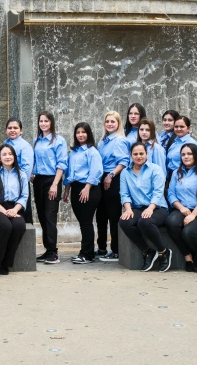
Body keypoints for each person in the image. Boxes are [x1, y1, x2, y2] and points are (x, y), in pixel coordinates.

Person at [118, 143, 172, 272]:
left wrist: (150, 208)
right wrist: (128, 209)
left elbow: (158, 192)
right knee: (124, 222)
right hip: (137, 208)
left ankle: (163, 252)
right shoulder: (125, 172)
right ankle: (147, 251)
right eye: (135, 154)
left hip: (158, 208)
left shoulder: (155, 169)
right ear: (131, 155)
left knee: (145, 221)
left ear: (146, 154)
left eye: (141, 153)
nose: (138, 156)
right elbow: (124, 194)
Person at [165, 145, 197, 273]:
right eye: (183, 154)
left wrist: (193, 215)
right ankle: (188, 257)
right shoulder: (177, 173)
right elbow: (171, 193)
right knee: (171, 223)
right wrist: (181, 208)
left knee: (188, 232)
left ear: (196, 155)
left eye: (189, 154)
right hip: (182, 209)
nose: (186, 157)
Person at [0, 144, 28, 275]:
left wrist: (14, 210)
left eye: (10, 154)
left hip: (14, 207)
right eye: (4, 154)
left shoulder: (22, 175)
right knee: (5, 226)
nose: (7, 157)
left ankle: (5, 263)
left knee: (19, 226)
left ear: (14, 157)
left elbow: (24, 196)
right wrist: (4, 212)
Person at [62, 122, 103, 264]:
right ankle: (85, 252)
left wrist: (87, 188)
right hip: (76, 188)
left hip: (89, 189)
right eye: (78, 132)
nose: (80, 135)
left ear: (89, 134)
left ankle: (87, 254)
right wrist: (66, 189)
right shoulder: (73, 152)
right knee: (83, 223)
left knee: (86, 223)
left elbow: (96, 171)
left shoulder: (92, 151)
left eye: (83, 132)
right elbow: (69, 173)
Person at [32, 111, 68, 264]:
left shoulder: (58, 140)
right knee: (41, 216)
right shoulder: (36, 140)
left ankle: (53, 252)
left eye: (46, 121)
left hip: (52, 181)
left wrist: (55, 184)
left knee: (50, 216)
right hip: (38, 180)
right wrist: (32, 174)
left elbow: (62, 164)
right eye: (41, 121)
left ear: (51, 122)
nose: (44, 124)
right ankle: (47, 249)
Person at [96, 111, 130, 262]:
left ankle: (116, 250)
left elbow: (124, 162)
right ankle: (102, 248)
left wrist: (110, 176)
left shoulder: (120, 140)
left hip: (113, 178)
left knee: (113, 215)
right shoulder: (103, 141)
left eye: (113, 122)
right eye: (107, 121)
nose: (110, 124)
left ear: (118, 124)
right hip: (101, 178)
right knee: (101, 215)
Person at [4, 118, 34, 223]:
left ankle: (27, 239)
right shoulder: (5, 143)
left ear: (21, 131)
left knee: (24, 214)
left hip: (21, 185)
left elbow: (27, 168)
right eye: (10, 128)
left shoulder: (24, 146)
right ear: (6, 130)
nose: (12, 130)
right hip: (7, 186)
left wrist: (20, 184)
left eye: (15, 128)